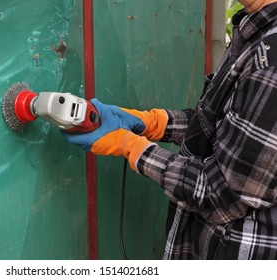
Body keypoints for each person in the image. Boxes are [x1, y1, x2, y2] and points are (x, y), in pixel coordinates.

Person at [63, 0, 277, 259]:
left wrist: (131, 146)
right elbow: (224, 130)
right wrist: (151, 123)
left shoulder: (271, 58)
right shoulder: (256, 30)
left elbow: (220, 195)